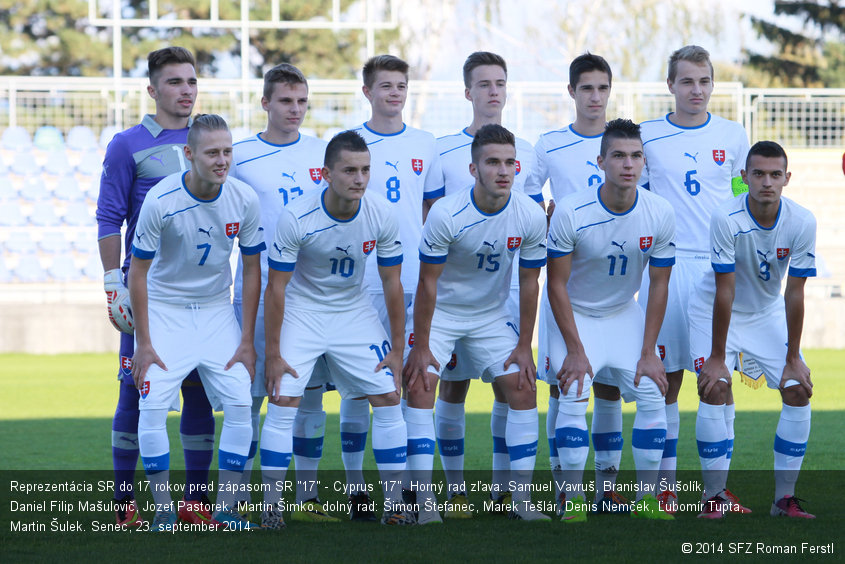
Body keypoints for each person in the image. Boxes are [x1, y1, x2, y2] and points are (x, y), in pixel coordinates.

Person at [260, 130, 411, 528]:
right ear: (326, 174)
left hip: (353, 310)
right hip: (303, 311)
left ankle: (395, 506)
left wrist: (397, 350)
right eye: (349, 171)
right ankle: (272, 506)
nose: (359, 179)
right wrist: (273, 353)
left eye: (365, 170)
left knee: (388, 396)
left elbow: (392, 283)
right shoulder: (297, 216)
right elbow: (276, 288)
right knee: (283, 401)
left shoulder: (380, 212)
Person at [95, 46, 217, 527]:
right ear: (152, 90)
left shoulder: (212, 141)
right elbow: (109, 217)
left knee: (198, 392)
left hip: (202, 296)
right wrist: (112, 283)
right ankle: (126, 504)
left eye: (191, 81)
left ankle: (195, 503)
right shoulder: (127, 145)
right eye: (174, 82)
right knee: (135, 391)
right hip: (147, 293)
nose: (185, 90)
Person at [404, 124, 548, 522]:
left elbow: (529, 281)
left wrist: (524, 345)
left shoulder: (530, 214)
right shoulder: (447, 214)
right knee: (419, 387)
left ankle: (520, 502)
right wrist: (421, 345)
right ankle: (424, 502)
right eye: (492, 162)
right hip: (443, 315)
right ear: (473, 169)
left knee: (522, 388)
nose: (503, 171)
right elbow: (427, 284)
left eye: (509, 162)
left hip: (490, 316)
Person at [128, 114, 264, 531]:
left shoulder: (243, 198)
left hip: (215, 310)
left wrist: (246, 338)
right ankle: (164, 512)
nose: (222, 160)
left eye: (227, 151)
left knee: (242, 402)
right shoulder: (161, 200)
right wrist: (144, 343)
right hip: (165, 311)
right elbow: (137, 273)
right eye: (212, 153)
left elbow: (253, 268)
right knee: (151, 410)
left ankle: (226, 508)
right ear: (189, 155)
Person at [637, 45, 750, 512]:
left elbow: (745, 198)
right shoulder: (647, 135)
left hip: (716, 268)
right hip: (664, 266)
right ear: (670, 86)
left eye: (704, 81)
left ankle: (713, 493)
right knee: (666, 380)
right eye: (687, 81)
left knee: (717, 379)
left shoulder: (733, 134)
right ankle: (662, 491)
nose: (696, 90)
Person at [546, 118, 675, 522]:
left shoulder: (659, 212)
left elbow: (658, 285)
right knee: (573, 390)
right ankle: (571, 499)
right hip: (574, 313)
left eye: (636, 156)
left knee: (654, 390)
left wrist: (649, 351)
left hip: (623, 311)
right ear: (600, 161)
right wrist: (576, 350)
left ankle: (647, 500)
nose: (628, 164)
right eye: (618, 155)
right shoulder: (571, 210)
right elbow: (556, 285)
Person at [434, 52, 543, 515]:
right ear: (468, 92)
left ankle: (508, 494)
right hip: (447, 290)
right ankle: (454, 490)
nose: (493, 91)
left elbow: (529, 226)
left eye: (500, 82)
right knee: (450, 385)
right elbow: (432, 221)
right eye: (483, 84)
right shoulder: (441, 151)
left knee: (513, 386)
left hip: (504, 291)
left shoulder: (530, 153)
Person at [228, 63, 335, 523]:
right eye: (286, 101)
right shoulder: (241, 155)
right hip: (255, 290)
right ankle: (237, 498)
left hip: (310, 295)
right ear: (265, 103)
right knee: (247, 395)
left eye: (302, 101)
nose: (295, 110)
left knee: (308, 394)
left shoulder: (322, 153)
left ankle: (306, 498)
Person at [690, 141, 816, 519]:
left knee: (798, 391)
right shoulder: (725, 218)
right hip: (714, 309)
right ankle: (713, 498)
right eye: (758, 174)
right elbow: (724, 290)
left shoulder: (802, 221)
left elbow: (794, 293)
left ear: (787, 179)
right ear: (744, 178)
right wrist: (716, 357)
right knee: (715, 389)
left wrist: (793, 358)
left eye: (775, 175)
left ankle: (784, 501)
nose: (767, 182)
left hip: (766, 313)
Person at [345, 55, 443, 518]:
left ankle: (403, 494)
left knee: (406, 385)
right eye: (385, 85)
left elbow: (432, 217)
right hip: (359, 284)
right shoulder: (350, 144)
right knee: (356, 387)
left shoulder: (427, 145)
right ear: (367, 91)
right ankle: (354, 488)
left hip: (409, 282)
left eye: (401, 85)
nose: (394, 93)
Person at [533, 53, 631, 511]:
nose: (595, 97)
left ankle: (606, 487)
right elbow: (528, 195)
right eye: (586, 88)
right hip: (566, 284)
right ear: (571, 92)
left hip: (615, 284)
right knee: (565, 385)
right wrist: (544, 215)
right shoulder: (550, 144)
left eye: (602, 88)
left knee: (609, 385)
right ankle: (564, 485)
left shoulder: (628, 143)